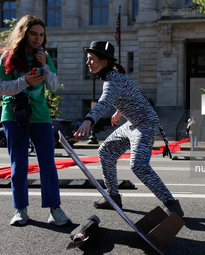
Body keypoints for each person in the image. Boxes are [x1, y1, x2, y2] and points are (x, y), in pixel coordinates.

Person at [74, 41, 184, 217]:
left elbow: (103, 103)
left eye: (90, 59)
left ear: (103, 61)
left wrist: (88, 120)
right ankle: (113, 197)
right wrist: (119, 111)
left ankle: (171, 204)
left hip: (146, 123)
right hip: (133, 123)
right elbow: (131, 94)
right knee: (105, 152)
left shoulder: (112, 80)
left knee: (138, 165)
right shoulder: (115, 77)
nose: (87, 63)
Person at [0, 15, 72, 226]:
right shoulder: (6, 57)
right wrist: (25, 81)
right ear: (23, 33)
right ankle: (21, 210)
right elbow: (2, 88)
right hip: (14, 116)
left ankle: (55, 209)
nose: (38, 39)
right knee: (18, 164)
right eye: (33, 34)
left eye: (41, 35)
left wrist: (46, 67)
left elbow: (53, 87)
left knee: (48, 164)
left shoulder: (45, 57)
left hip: (40, 116)